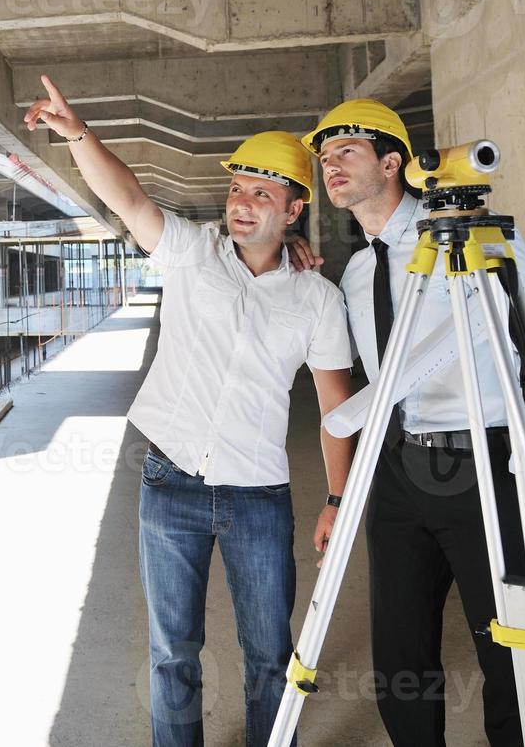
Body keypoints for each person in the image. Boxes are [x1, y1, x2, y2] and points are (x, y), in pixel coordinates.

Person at [24, 76, 355, 747]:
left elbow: (334, 406)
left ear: (294, 212)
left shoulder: (317, 299)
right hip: (169, 483)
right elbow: (129, 198)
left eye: (263, 193)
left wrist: (338, 498)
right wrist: (77, 135)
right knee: (173, 651)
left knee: (270, 656)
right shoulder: (190, 254)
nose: (243, 202)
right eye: (238, 188)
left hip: (258, 495)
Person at [301, 99, 525, 747]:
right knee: (399, 653)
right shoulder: (358, 270)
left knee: (510, 648)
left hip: (487, 461)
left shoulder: (481, 241)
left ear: (392, 161)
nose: (330, 166)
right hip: (398, 469)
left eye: (346, 152)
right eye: (323, 156)